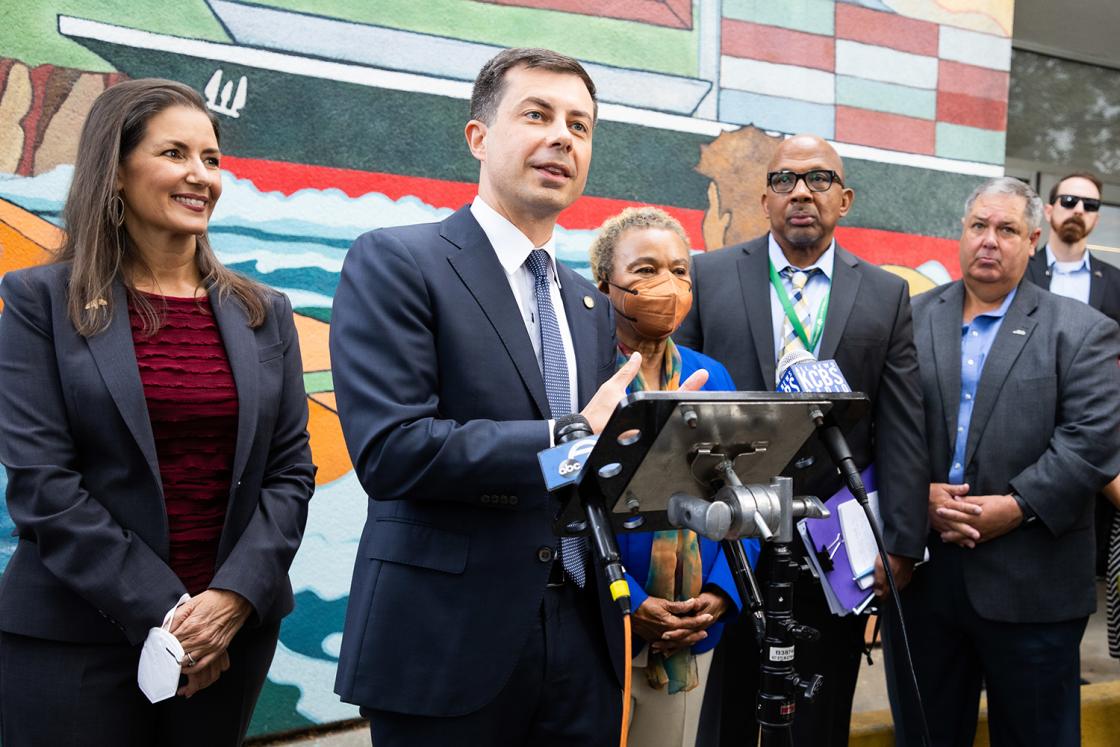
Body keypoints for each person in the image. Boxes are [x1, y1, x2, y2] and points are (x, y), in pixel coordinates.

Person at [330, 48, 707, 746]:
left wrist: (662, 452)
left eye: (581, 125)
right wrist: (568, 439)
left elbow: (589, 475)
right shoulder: (396, 261)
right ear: (478, 136)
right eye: (537, 115)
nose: (563, 136)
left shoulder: (590, 306)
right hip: (447, 639)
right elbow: (391, 451)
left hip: (585, 639)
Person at [0, 79, 316, 746]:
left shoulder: (267, 312)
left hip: (231, 637)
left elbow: (290, 474)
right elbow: (43, 485)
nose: (200, 175)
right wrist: (174, 616)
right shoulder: (38, 302)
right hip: (75, 635)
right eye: (175, 153)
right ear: (114, 170)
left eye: (211, 159)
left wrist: (231, 601)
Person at [675, 133, 928, 747]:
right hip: (732, 534)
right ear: (765, 200)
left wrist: (901, 540)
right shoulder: (708, 276)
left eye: (818, 179)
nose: (801, 193)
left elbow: (901, 424)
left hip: (833, 539)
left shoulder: (886, 293)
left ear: (845, 198)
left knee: (820, 712)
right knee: (731, 710)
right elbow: (681, 404)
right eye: (785, 180)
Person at [886, 177, 1120, 746]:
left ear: (1033, 240)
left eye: (1007, 229)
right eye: (978, 227)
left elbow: (1090, 440)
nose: (989, 241)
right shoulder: (907, 319)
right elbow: (878, 426)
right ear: (961, 234)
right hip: (924, 581)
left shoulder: (1084, 330)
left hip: (1033, 584)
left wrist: (1016, 507)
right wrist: (919, 494)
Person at [588, 206, 760, 747]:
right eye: (644, 270)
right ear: (605, 285)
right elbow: (562, 506)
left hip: (690, 632)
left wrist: (721, 594)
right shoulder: (582, 376)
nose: (667, 284)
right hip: (602, 629)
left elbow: (746, 501)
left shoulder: (715, 376)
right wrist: (631, 601)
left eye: (680, 270)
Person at [1022, 172, 1120, 586]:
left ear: (1097, 218)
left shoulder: (1114, 282)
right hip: (1024, 423)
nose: (1078, 210)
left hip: (1090, 429)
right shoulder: (1020, 271)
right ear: (1048, 209)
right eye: (1068, 201)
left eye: (1090, 205)